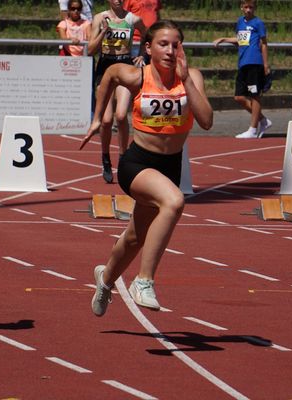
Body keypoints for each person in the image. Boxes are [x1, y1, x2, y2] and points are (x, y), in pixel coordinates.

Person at [80, 20, 213, 316]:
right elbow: (110, 74)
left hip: (169, 166)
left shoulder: (191, 77)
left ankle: (105, 279)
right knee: (174, 201)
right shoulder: (138, 76)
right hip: (137, 162)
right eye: (163, 44)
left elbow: (206, 121)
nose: (169, 50)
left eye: (175, 45)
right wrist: (97, 117)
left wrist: (187, 82)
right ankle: (144, 280)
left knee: (135, 237)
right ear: (148, 48)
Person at [88, 0, 146, 183]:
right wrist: (104, 31)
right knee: (106, 120)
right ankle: (105, 158)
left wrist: (142, 55)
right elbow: (90, 50)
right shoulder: (99, 18)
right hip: (105, 66)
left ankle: (122, 158)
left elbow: (148, 35)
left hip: (125, 65)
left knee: (121, 116)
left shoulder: (132, 19)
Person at [213, 0, 272, 139]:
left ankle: (252, 129)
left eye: (251, 7)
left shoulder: (258, 23)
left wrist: (265, 64)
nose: (248, 10)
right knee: (239, 97)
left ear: (255, 8)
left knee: (254, 96)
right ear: (241, 8)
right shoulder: (240, 22)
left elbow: (264, 44)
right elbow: (240, 40)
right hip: (243, 63)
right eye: (246, 7)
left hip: (255, 63)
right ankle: (263, 120)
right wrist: (223, 39)